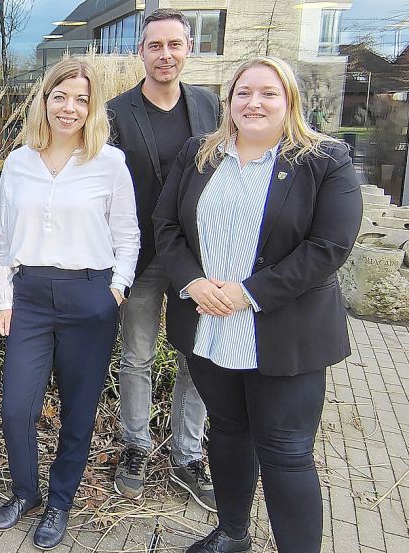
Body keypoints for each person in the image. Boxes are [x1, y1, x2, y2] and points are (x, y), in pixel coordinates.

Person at [153, 57, 362, 553]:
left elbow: (329, 247)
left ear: (289, 100)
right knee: (227, 432)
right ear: (228, 102)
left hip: (282, 333)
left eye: (268, 93)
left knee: (287, 452)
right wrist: (194, 282)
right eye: (244, 92)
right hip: (210, 326)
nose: (254, 102)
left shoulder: (324, 160)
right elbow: (166, 226)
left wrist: (248, 292)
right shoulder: (199, 154)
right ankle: (232, 532)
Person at [0, 57, 139, 549]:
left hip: (88, 296)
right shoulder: (18, 161)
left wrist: (116, 288)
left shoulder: (109, 163)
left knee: (78, 410)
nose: (69, 107)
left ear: (92, 107)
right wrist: (5, 299)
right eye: (59, 96)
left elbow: (128, 236)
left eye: (80, 98)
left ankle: (59, 502)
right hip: (29, 296)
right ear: (44, 100)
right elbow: (4, 238)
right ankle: (25, 491)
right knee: (16, 408)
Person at [106, 8, 220, 511]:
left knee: (198, 357)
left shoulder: (211, 105)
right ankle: (135, 447)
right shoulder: (115, 111)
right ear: (141, 51)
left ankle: (187, 454)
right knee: (137, 356)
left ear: (188, 49)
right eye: (155, 45)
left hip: (199, 257)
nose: (165, 54)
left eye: (175, 45)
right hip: (144, 255)